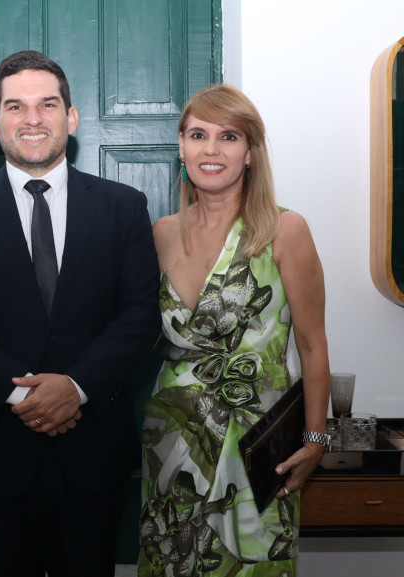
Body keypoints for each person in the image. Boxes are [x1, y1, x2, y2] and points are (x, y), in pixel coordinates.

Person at [0, 50, 161, 577]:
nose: (32, 119)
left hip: (92, 450)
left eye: (47, 105)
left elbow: (140, 316)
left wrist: (75, 387)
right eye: (16, 106)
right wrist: (23, 396)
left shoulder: (124, 207)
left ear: (71, 118)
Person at [139, 84, 330, 576]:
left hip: (259, 442)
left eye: (228, 136)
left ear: (249, 153)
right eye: (198, 135)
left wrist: (315, 440)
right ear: (181, 147)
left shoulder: (284, 230)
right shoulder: (161, 234)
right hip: (172, 441)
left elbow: (312, 344)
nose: (211, 149)